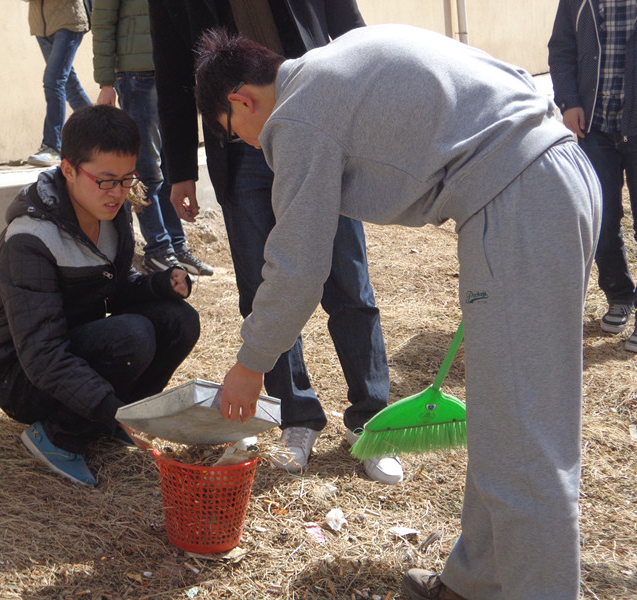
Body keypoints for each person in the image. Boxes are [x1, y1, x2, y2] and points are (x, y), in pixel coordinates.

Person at [194, 26, 600, 600]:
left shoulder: (297, 114)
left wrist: (250, 363)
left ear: (241, 101)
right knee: (503, 418)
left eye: (236, 134)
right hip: (550, 176)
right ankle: (475, 582)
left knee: (526, 447)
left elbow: (297, 264)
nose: (251, 146)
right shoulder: (334, 62)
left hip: (520, 202)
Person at [148, 0, 402, 485]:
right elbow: (173, 74)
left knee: (348, 282)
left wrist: (369, 115)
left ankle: (371, 419)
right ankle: (296, 419)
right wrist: (180, 169)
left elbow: (350, 32)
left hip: (320, 127)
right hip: (240, 144)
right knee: (264, 291)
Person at [0, 104, 200, 487]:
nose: (118, 193)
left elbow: (115, 289)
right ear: (68, 169)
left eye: (127, 180)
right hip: (23, 377)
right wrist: (114, 409)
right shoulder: (30, 240)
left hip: (74, 348)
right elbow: (42, 356)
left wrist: (159, 286)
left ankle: (106, 422)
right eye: (106, 180)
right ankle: (59, 438)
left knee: (179, 320)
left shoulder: (111, 213)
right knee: (133, 337)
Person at [90, 0, 213, 276]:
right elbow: (102, 22)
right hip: (136, 75)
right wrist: (106, 83)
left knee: (171, 163)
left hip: (174, 69)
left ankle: (176, 244)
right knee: (145, 169)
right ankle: (157, 248)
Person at [549, 0, 637, 352]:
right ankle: (619, 295)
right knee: (601, 219)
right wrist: (569, 101)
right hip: (595, 128)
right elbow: (562, 48)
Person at [25, 0, 94, 167]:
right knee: (69, 86)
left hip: (67, 22)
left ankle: (53, 146)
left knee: (53, 81)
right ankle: (102, 132)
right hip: (40, 26)